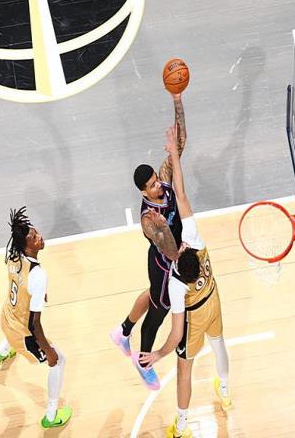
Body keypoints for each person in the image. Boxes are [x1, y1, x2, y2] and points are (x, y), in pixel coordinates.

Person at [140, 127, 232, 437]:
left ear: (179, 258)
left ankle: (181, 427)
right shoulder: (196, 240)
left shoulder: (177, 284)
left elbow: (176, 332)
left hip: (194, 316)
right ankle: (225, 391)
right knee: (219, 345)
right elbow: (180, 193)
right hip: (213, 298)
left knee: (183, 372)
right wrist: (174, 155)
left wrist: (158, 354)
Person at [110, 93, 187, 390]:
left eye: (156, 180)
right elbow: (170, 250)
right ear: (143, 192)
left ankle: (122, 331)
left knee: (151, 297)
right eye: (153, 186)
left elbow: (180, 144)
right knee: (158, 312)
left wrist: (177, 99)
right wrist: (166, 233)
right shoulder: (148, 219)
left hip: (171, 255)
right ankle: (143, 362)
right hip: (164, 266)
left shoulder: (164, 178)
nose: (158, 186)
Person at [0, 207, 72, 429]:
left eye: (36, 233)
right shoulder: (38, 275)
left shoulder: (13, 254)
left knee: (17, 317)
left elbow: (20, 281)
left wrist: (36, 293)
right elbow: (35, 324)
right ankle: (51, 416)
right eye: (34, 238)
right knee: (59, 361)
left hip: (6, 317)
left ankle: (0, 353)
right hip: (22, 334)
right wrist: (47, 350)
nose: (40, 237)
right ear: (26, 245)